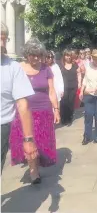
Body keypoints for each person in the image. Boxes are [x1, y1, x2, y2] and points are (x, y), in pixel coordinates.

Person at [10, 38, 60, 183]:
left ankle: (35, 166)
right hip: (24, 112)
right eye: (33, 55)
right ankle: (34, 172)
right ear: (27, 54)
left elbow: (51, 91)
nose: (36, 58)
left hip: (44, 111)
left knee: (41, 142)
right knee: (28, 140)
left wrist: (56, 109)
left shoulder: (46, 69)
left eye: (39, 55)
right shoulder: (18, 68)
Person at [1, 23, 38, 174]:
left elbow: (23, 104)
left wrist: (28, 140)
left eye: (4, 39)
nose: (2, 44)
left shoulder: (13, 67)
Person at [59, 49, 82, 125]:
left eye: (69, 56)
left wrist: (79, 83)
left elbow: (79, 74)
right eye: (66, 55)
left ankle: (69, 118)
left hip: (73, 86)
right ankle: (63, 117)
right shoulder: (60, 65)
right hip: (63, 87)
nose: (68, 57)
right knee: (63, 102)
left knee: (71, 102)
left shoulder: (75, 64)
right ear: (64, 56)